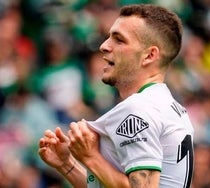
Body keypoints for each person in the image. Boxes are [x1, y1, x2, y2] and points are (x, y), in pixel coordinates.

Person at [38, 4, 194, 188]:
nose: (104, 46)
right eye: (109, 37)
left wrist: (90, 157)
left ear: (149, 55)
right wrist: (67, 165)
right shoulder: (169, 107)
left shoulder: (138, 109)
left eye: (119, 40)